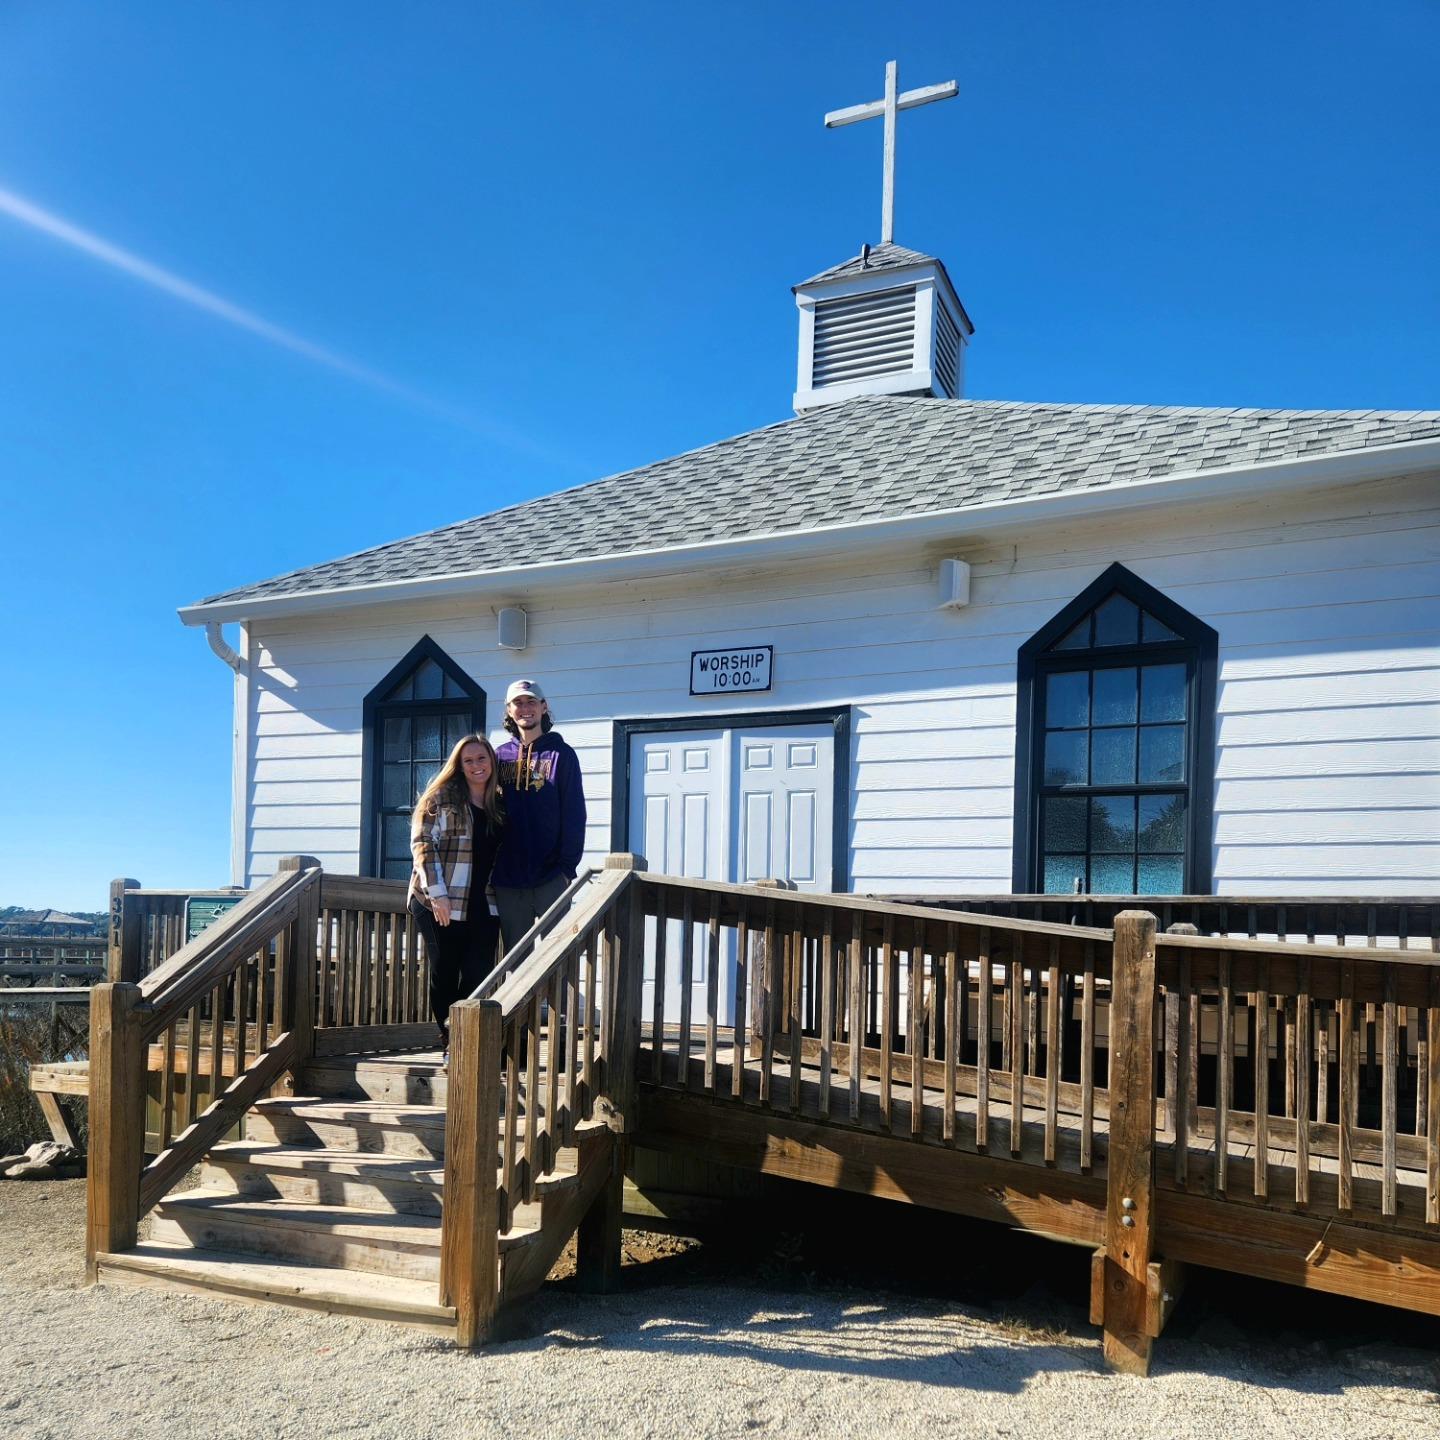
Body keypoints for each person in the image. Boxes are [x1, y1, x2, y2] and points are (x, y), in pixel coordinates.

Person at [407, 733, 505, 1061]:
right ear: (459, 766)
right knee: (445, 969)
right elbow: (423, 844)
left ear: (492, 762)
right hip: (438, 898)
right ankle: (451, 1043)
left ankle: (463, 1038)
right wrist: (438, 894)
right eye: (469, 760)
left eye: (482, 758)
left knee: (478, 972)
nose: (477, 765)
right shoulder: (441, 798)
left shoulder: (498, 804)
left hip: (483, 900)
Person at [492, 679, 587, 951]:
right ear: (509, 711)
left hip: (551, 878)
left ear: (544, 707)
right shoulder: (499, 757)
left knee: (557, 958)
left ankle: (556, 998)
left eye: (531, 701)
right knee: (516, 962)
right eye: (518, 703)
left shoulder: (562, 756)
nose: (525, 708)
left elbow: (574, 815)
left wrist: (566, 870)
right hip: (508, 880)